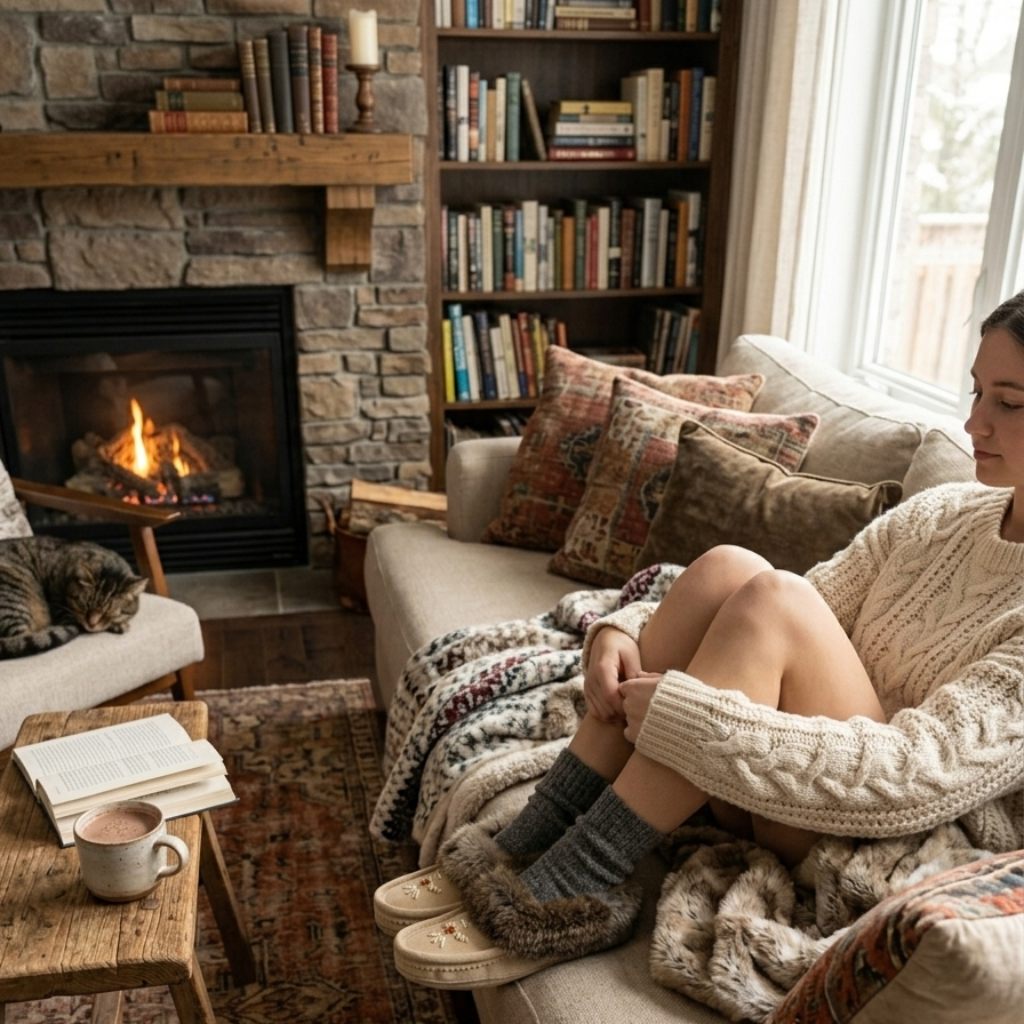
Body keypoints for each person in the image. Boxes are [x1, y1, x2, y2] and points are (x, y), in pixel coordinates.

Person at [391, 293, 1024, 974]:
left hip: (869, 827)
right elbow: (800, 603)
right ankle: (535, 833)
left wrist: (702, 721)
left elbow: (915, 775)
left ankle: (577, 879)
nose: (972, 421)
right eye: (976, 391)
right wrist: (624, 631)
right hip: (770, 774)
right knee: (733, 568)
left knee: (776, 597)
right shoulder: (941, 513)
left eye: (1009, 402)